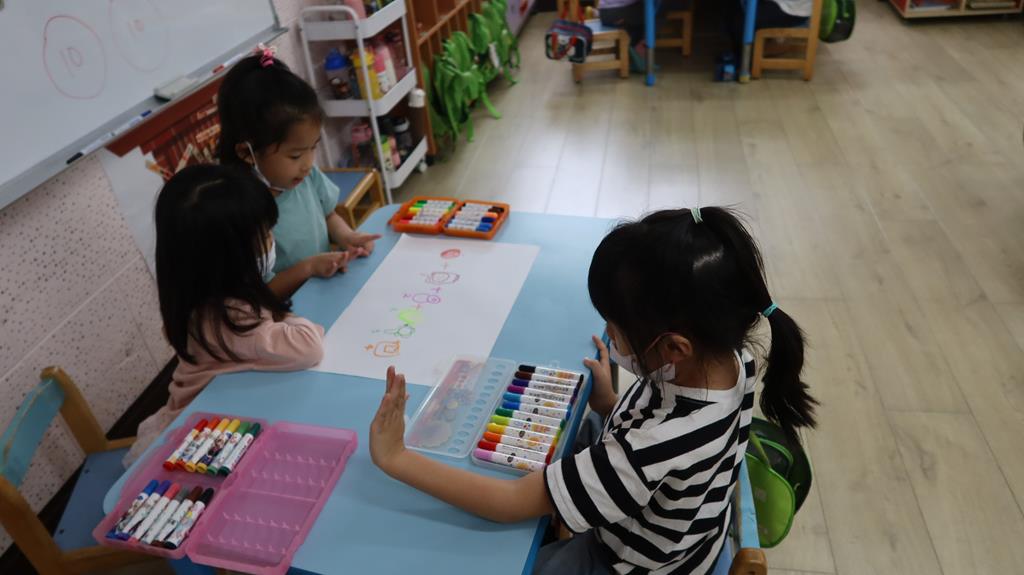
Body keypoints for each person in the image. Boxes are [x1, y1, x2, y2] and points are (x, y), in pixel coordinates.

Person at [367, 207, 817, 574]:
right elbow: (675, 447)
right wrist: (610, 404)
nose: (611, 338)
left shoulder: (647, 452)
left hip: (630, 563)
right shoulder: (734, 360)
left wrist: (397, 458)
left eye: (617, 331)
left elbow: (509, 502)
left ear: (675, 348)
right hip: (689, 540)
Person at [126, 165, 325, 465]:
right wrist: (288, 318)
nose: (272, 240)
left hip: (209, 414)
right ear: (232, 259)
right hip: (198, 442)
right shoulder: (231, 319)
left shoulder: (193, 299)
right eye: (265, 235)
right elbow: (309, 346)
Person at [217, 46, 380, 297]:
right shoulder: (243, 213)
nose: (307, 163)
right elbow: (262, 293)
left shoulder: (304, 176)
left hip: (325, 292)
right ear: (247, 152)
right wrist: (308, 268)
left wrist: (347, 236)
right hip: (288, 311)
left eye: (313, 148)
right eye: (295, 155)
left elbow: (328, 215)